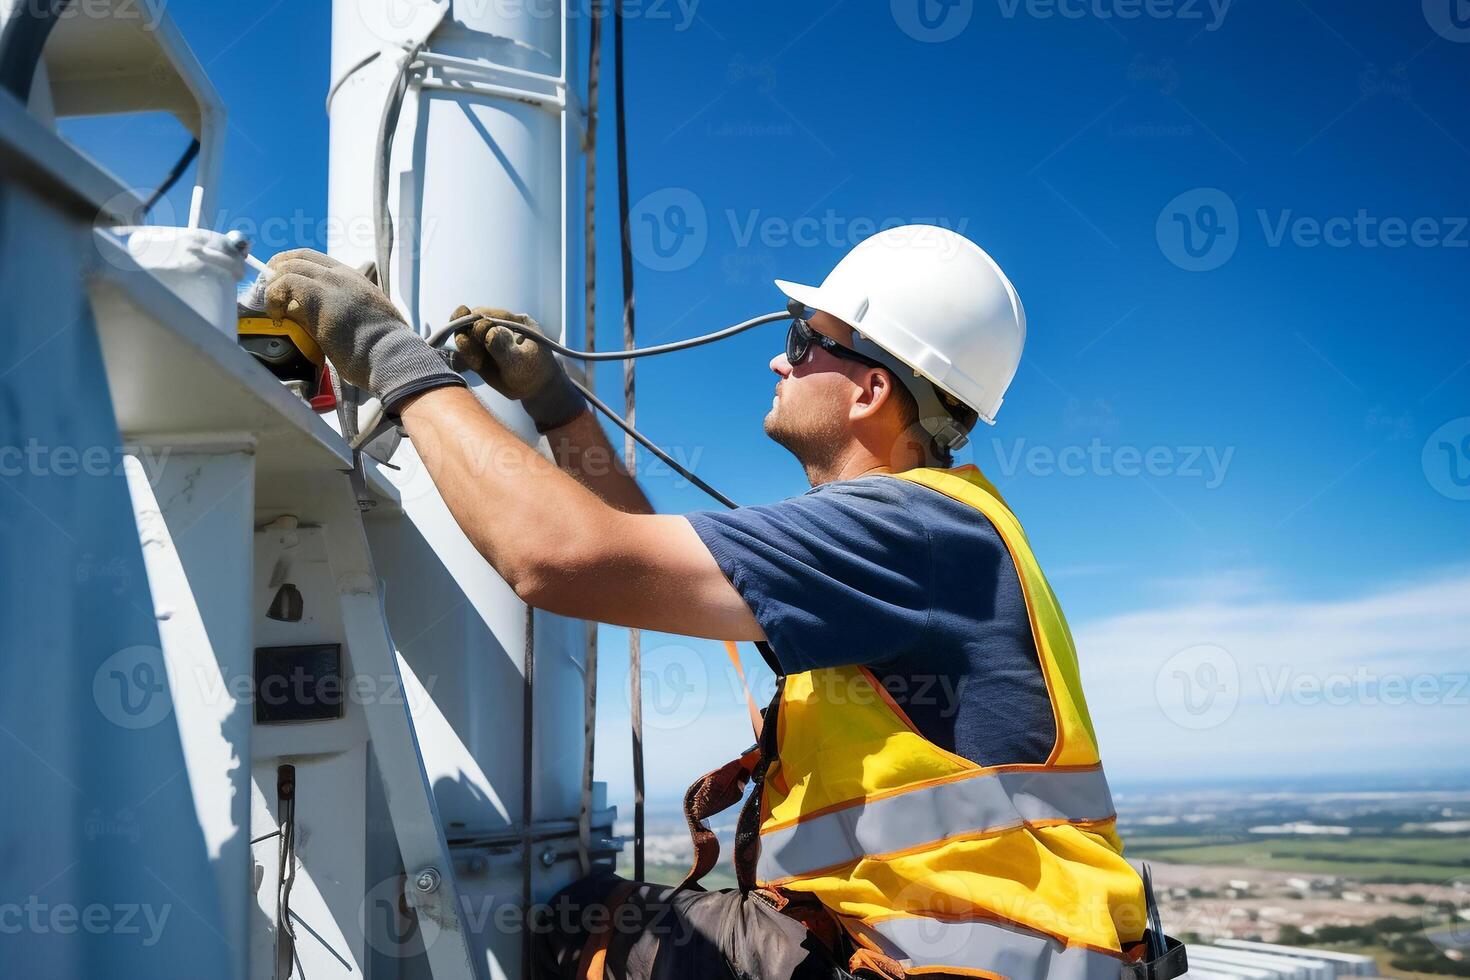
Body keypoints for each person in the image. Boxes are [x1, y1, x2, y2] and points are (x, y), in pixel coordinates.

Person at [263, 225, 1159, 980]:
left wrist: (389, 354)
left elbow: (555, 558)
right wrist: (556, 406)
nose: (781, 354)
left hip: (929, 963)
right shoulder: (933, 530)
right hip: (956, 950)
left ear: (871, 389)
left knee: (582, 929)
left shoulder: (908, 531)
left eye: (805, 339)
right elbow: (637, 558)